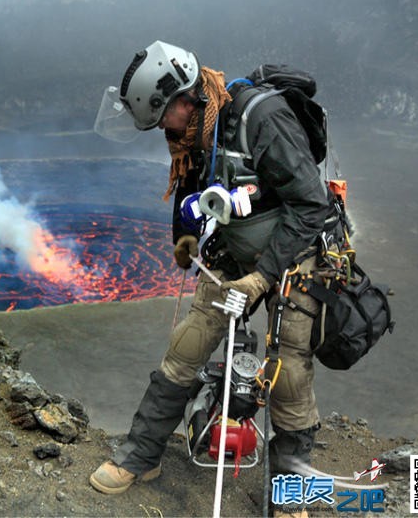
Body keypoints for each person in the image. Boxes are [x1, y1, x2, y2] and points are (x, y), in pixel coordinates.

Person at [90, 41, 334, 518]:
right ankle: (140, 459)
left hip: (294, 251)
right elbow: (191, 194)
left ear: (186, 99)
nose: (162, 128)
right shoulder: (197, 136)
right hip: (235, 250)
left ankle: (288, 496)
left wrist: (263, 279)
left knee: (288, 372)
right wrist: (187, 237)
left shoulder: (259, 119)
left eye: (163, 116)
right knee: (186, 347)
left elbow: (312, 204)